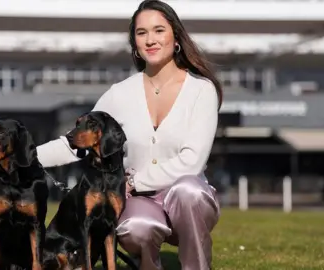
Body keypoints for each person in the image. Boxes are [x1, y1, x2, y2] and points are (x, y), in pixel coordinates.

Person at [36, 0, 222, 269]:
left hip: (187, 198)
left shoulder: (201, 90)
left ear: (176, 37)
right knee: (135, 227)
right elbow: (74, 143)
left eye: (159, 30)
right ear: (134, 43)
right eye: (141, 33)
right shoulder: (120, 93)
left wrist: (134, 181)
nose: (150, 40)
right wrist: (27, 155)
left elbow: (192, 161)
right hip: (140, 202)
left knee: (187, 191)